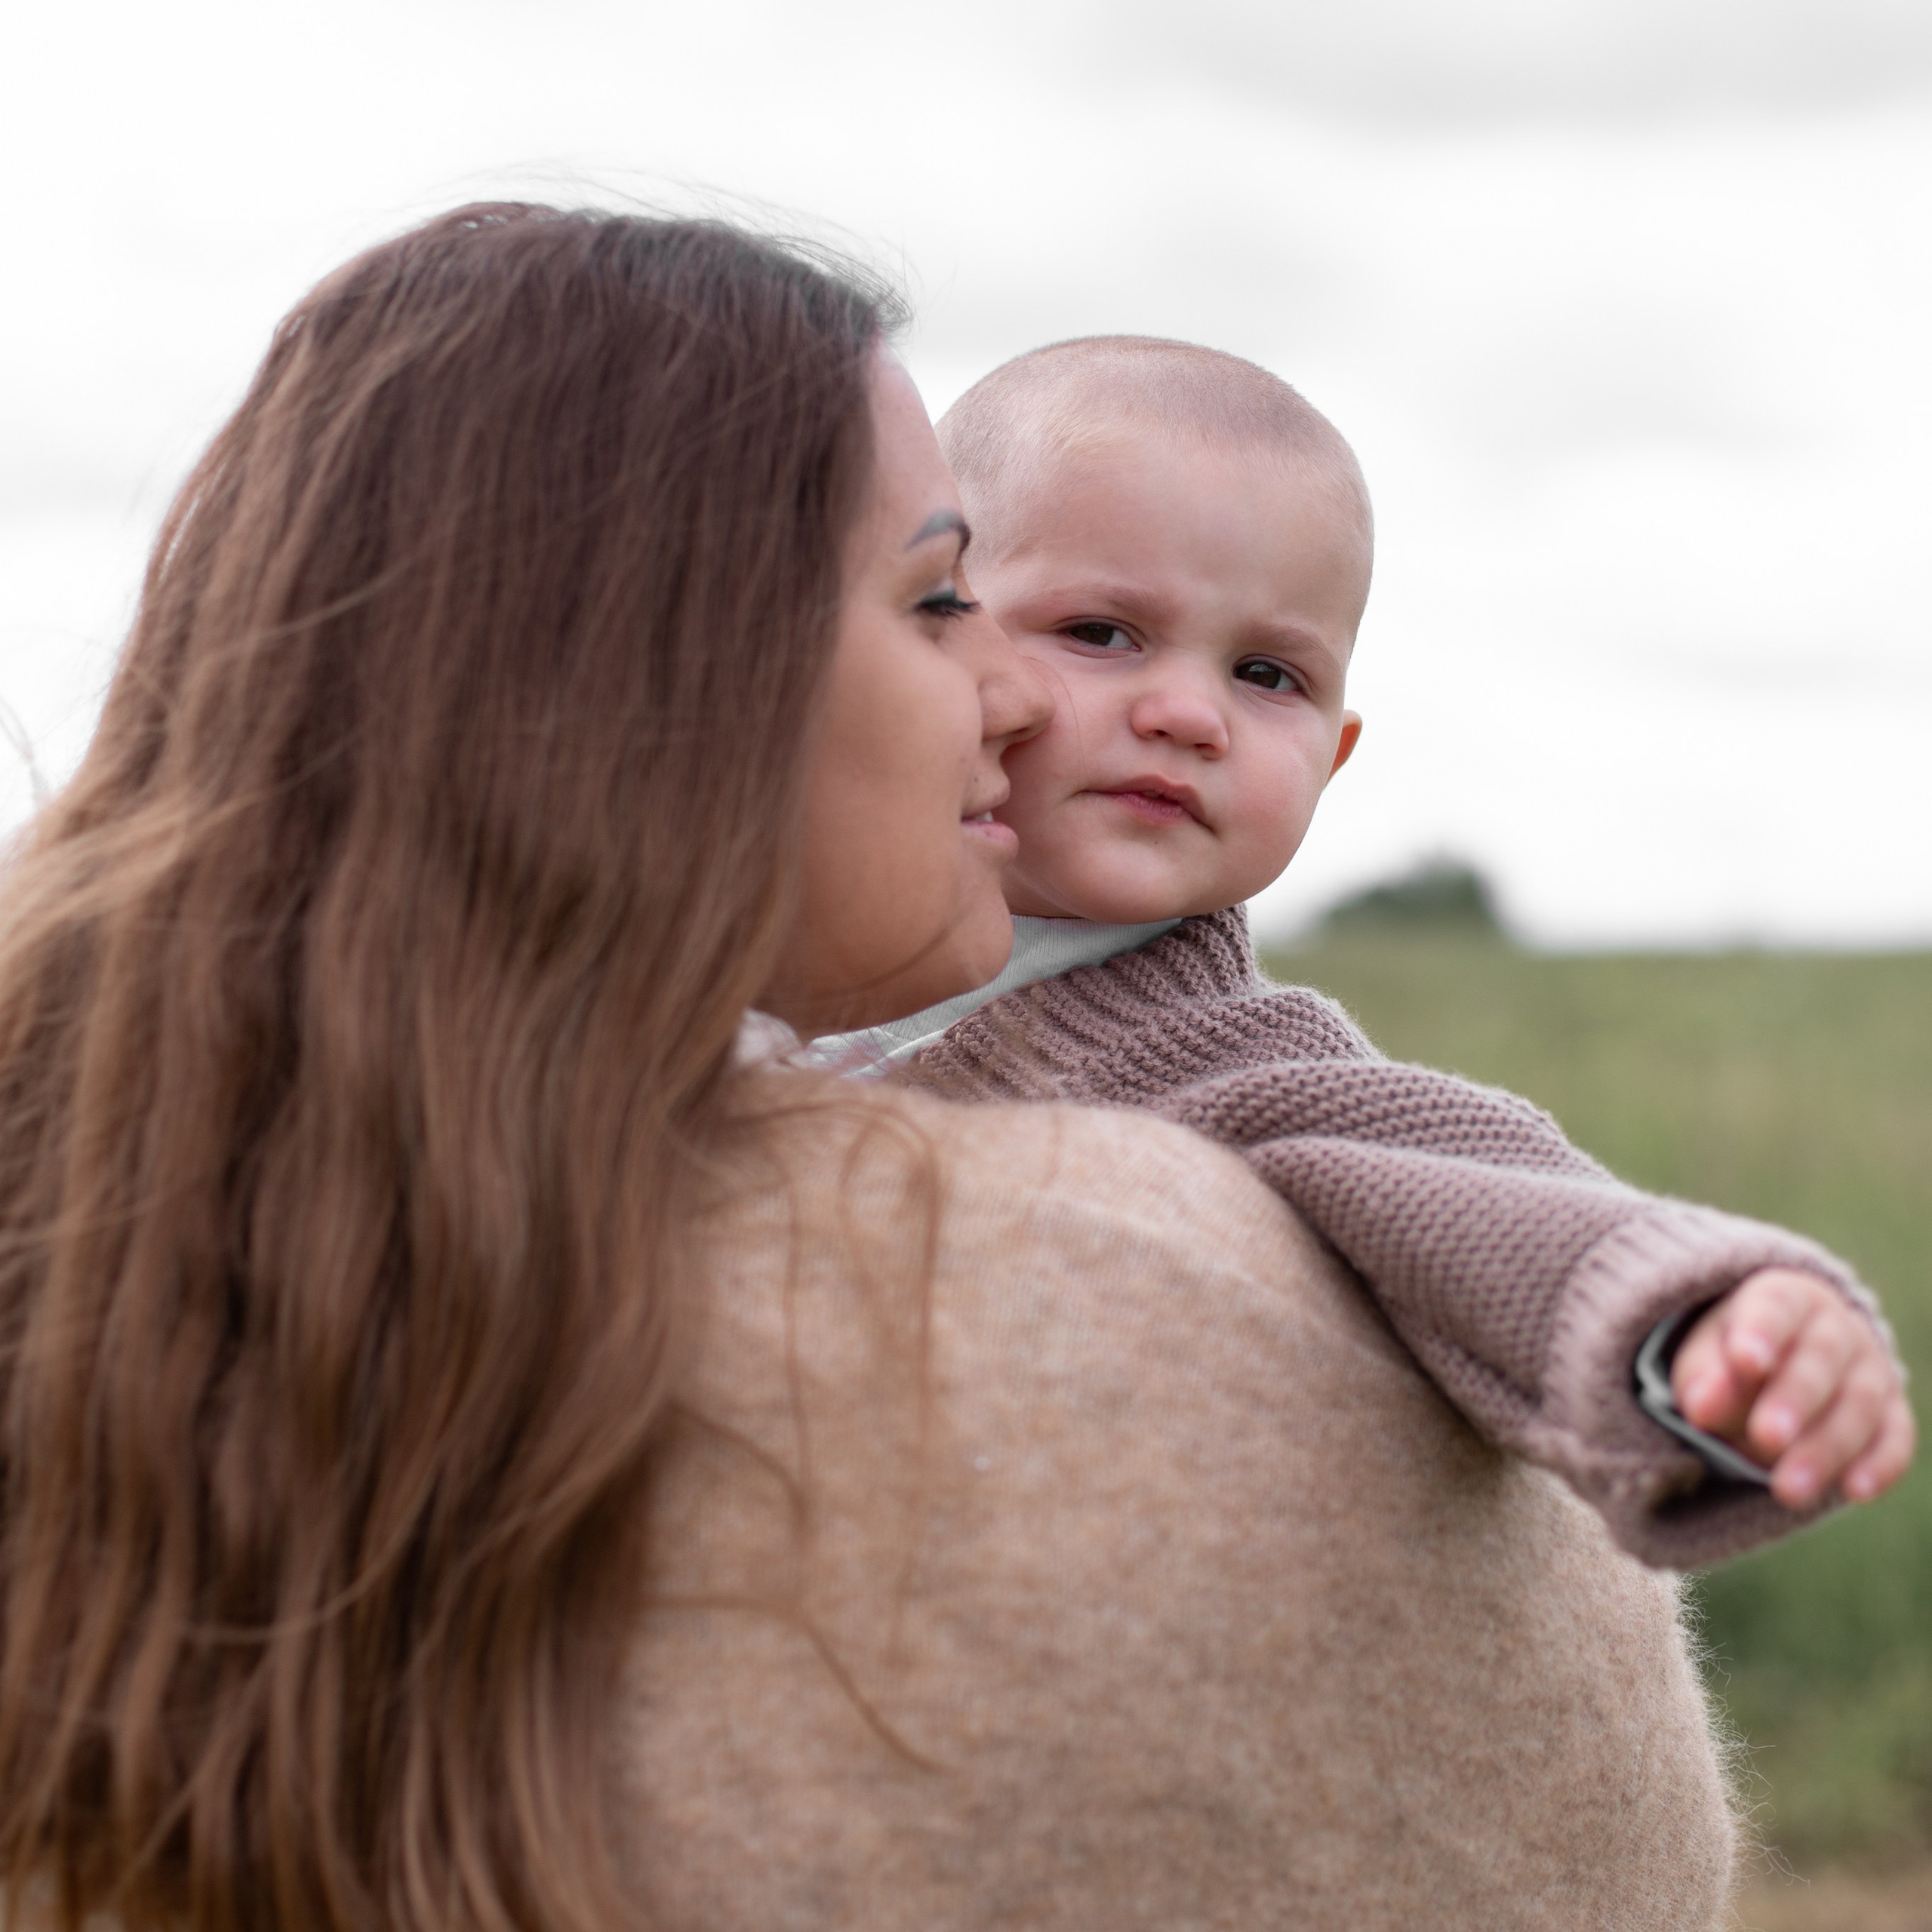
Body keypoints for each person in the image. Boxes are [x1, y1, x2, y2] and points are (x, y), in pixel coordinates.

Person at [0, 204, 1740, 1932]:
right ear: (678, 676)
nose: (1016, 698)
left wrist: (1687, 1331)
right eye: (942, 601)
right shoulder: (929, 1272)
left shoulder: (135, 1194)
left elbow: (1459, 1174)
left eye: (1264, 673)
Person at [819, 336, 1914, 1567]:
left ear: (1333, 760)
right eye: (1103, 633)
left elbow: (1490, 1206)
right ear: (941, 630)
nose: (1188, 714)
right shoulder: (776, 938)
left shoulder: (1231, 1062)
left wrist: (1706, 1333)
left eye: (1267, 674)